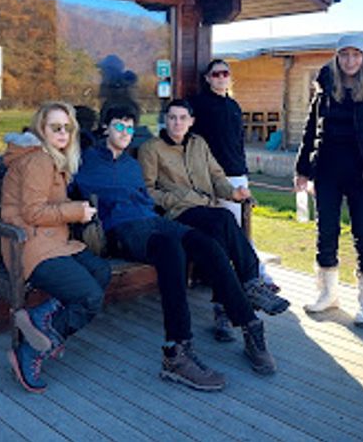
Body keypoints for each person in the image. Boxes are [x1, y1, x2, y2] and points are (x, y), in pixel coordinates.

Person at [73, 103, 276, 390]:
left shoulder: (132, 166)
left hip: (152, 222)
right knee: (170, 249)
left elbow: (145, 198)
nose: (126, 132)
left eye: (130, 127)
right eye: (119, 125)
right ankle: (176, 352)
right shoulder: (87, 161)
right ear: (105, 127)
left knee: (206, 244)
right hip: (122, 230)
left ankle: (250, 325)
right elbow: (64, 186)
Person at [138, 99, 289, 344]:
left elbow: (217, 177)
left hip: (207, 210)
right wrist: (178, 198)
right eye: (172, 117)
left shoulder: (199, 144)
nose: (177, 123)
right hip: (178, 213)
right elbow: (147, 190)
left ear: (191, 121)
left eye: (182, 118)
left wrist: (232, 193)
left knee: (219, 234)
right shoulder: (151, 148)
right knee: (224, 217)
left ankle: (224, 311)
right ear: (165, 120)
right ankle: (250, 282)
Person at [0, 101, 111, 393]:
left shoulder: (53, 159)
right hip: (29, 245)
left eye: (68, 128)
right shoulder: (38, 160)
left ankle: (41, 323)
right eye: (55, 128)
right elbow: (33, 213)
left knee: (100, 271)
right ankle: (32, 350)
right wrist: (76, 211)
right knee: (90, 298)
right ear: (42, 129)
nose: (63, 133)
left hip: (54, 240)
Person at [294, 34, 363, 327]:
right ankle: (327, 294)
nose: (350, 61)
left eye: (355, 55)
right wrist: (302, 169)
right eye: (344, 55)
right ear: (337, 57)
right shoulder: (325, 87)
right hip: (327, 171)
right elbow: (309, 132)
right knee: (325, 232)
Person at [189, 58, 279, 291]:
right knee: (220, 229)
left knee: (241, 226)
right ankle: (235, 276)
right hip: (210, 176)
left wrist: (243, 171)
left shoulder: (234, 106)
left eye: (225, 74)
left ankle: (255, 275)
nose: (221, 78)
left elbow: (237, 142)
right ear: (207, 78)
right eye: (216, 74)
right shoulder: (197, 105)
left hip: (236, 174)